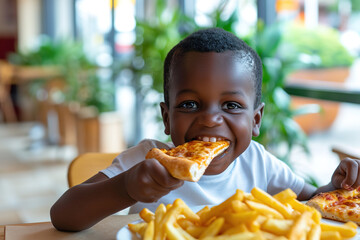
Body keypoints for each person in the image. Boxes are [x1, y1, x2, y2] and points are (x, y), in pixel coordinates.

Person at [50, 28, 360, 232]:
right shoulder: (148, 160)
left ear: (255, 121)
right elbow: (63, 214)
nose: (210, 119)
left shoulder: (257, 161)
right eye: (189, 105)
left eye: (231, 106)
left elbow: (310, 203)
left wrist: (334, 188)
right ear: (167, 117)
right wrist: (126, 188)